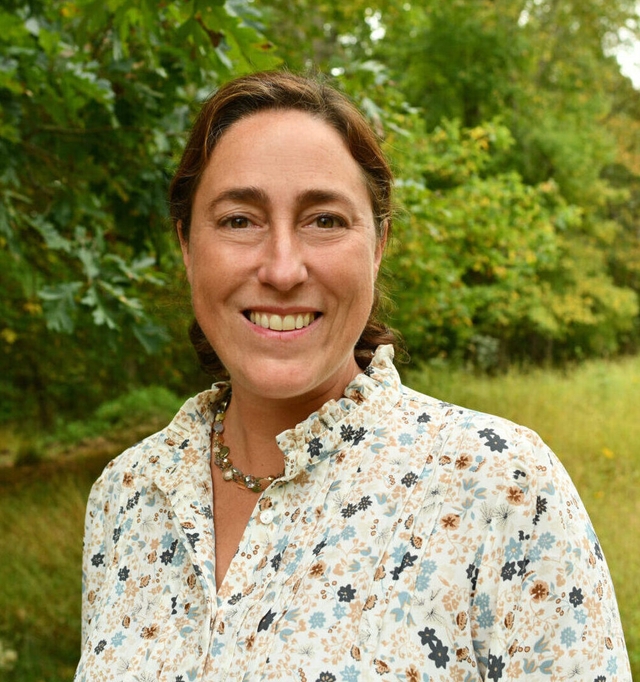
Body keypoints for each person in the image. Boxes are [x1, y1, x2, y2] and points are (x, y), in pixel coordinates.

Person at [74, 71, 631, 681]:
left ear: (379, 244)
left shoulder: (498, 485)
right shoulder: (126, 495)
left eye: (325, 220)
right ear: (186, 245)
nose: (283, 269)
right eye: (239, 220)